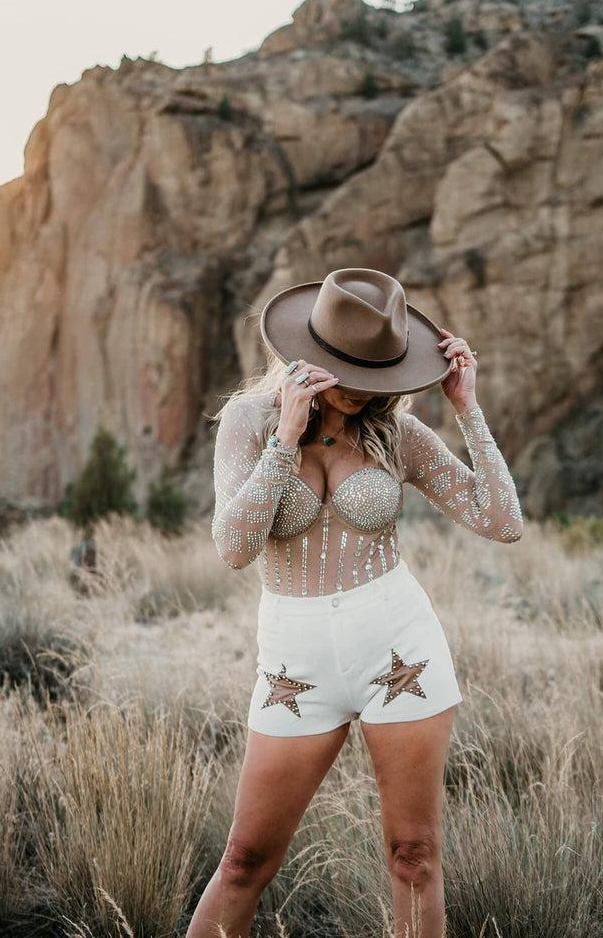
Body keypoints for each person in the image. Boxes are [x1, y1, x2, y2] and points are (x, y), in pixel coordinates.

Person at [185, 267, 524, 938]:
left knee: (414, 856)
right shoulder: (250, 421)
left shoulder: (394, 432)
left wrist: (467, 408)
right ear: (308, 355)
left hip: (399, 651)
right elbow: (233, 546)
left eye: (378, 376)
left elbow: (501, 519)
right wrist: (286, 438)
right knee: (245, 860)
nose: (366, 392)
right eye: (350, 373)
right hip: (294, 666)